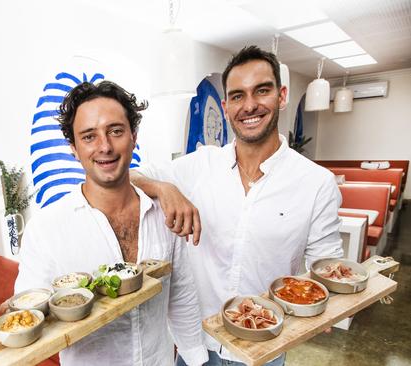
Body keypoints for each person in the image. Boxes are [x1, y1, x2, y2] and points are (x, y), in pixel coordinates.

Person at [131, 46, 343, 366]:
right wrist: (164, 188)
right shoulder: (199, 166)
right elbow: (127, 177)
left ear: (281, 96)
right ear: (227, 107)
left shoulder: (317, 183)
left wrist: (327, 302)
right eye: (237, 96)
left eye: (262, 90)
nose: (250, 105)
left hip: (264, 347)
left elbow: (326, 271)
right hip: (196, 345)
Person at [14, 80, 208, 365]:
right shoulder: (46, 229)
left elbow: (182, 295)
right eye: (89, 136)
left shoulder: (165, 213)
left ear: (133, 136)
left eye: (115, 131)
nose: (104, 146)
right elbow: (29, 314)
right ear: (74, 148)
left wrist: (195, 358)